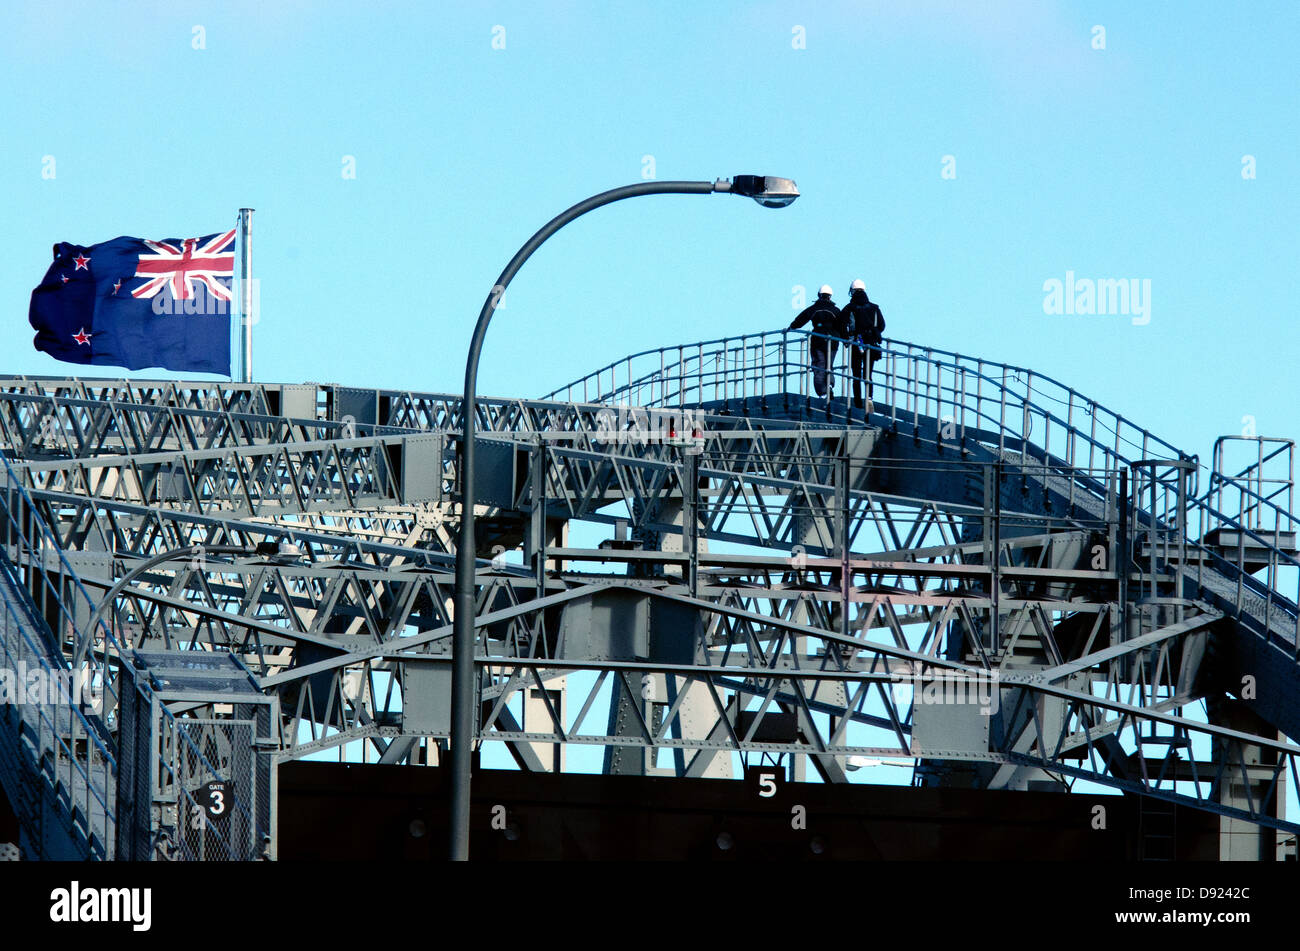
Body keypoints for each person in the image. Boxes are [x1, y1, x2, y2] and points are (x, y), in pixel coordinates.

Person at [789, 285, 848, 398]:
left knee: (819, 365)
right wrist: (845, 340)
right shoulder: (836, 310)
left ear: (819, 295)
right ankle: (830, 385)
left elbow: (802, 318)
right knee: (829, 364)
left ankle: (822, 392)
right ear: (830, 297)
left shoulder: (814, 309)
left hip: (818, 340)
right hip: (833, 340)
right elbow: (842, 326)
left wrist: (792, 327)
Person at [841, 279, 885, 408]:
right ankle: (869, 398)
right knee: (868, 373)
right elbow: (882, 325)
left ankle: (858, 402)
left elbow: (841, 324)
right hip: (870, 343)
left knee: (856, 373)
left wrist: (845, 339)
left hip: (856, 342)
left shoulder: (849, 308)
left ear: (852, 291)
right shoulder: (874, 307)